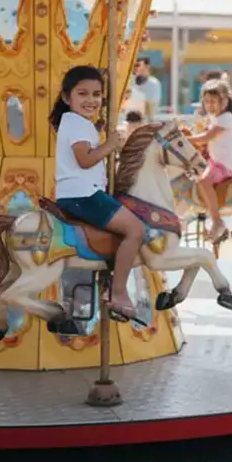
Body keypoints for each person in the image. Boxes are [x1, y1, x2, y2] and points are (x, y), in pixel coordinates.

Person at [50, 65, 142, 320]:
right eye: (83, 94)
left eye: (96, 94)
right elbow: (85, 159)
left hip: (79, 192)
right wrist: (110, 145)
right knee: (135, 230)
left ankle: (107, 286)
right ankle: (119, 292)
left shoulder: (75, 122)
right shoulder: (77, 123)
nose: (91, 100)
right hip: (83, 194)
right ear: (67, 97)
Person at [189, 78, 232, 244]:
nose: (209, 105)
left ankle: (217, 220)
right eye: (207, 101)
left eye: (213, 101)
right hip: (215, 161)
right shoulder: (216, 117)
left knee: (203, 181)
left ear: (224, 101)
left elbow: (206, 138)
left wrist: (186, 138)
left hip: (225, 165)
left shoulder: (226, 118)